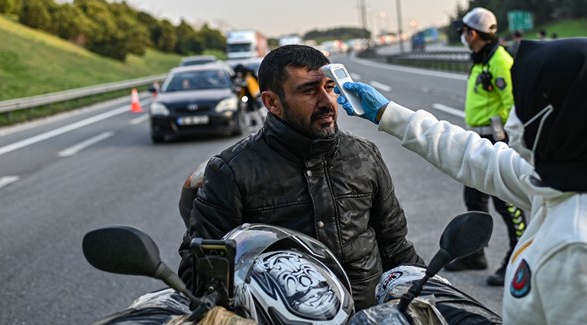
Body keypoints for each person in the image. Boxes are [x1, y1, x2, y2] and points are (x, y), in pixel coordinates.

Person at [336, 38, 587, 324]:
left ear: (560, 117)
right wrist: (387, 113)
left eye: (524, 103)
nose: (513, 116)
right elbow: (477, 158)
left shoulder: (582, 252)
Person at [178, 45, 423, 311]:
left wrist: (431, 293)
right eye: (309, 90)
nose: (327, 101)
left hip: (368, 316)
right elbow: (202, 278)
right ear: (272, 103)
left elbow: (397, 249)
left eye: (329, 88)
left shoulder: (365, 155)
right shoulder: (231, 171)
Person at [449, 8, 526, 287]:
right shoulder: (482, 58)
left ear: (472, 33)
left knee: (507, 205)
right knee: (475, 198)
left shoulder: (499, 61)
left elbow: (512, 104)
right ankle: (474, 254)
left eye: (463, 31)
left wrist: (506, 143)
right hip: (479, 139)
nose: (462, 36)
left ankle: (518, 260)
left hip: (497, 141)